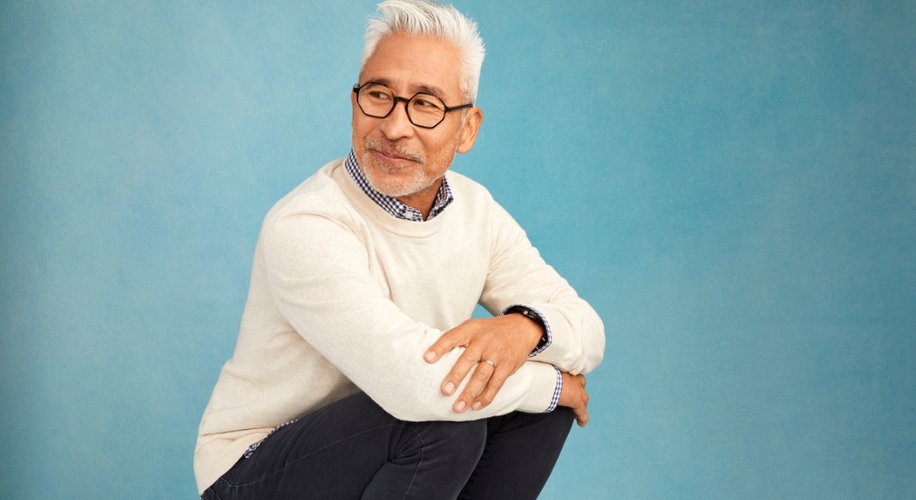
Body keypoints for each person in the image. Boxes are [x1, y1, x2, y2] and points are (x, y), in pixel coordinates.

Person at [194, 1, 604, 498]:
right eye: (379, 94)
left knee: (525, 416)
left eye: (426, 104)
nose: (393, 126)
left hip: (381, 446)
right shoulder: (307, 224)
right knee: (444, 423)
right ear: (354, 103)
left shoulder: (476, 212)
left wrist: (526, 328)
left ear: (467, 128)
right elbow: (413, 386)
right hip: (252, 468)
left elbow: (585, 327)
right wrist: (553, 386)